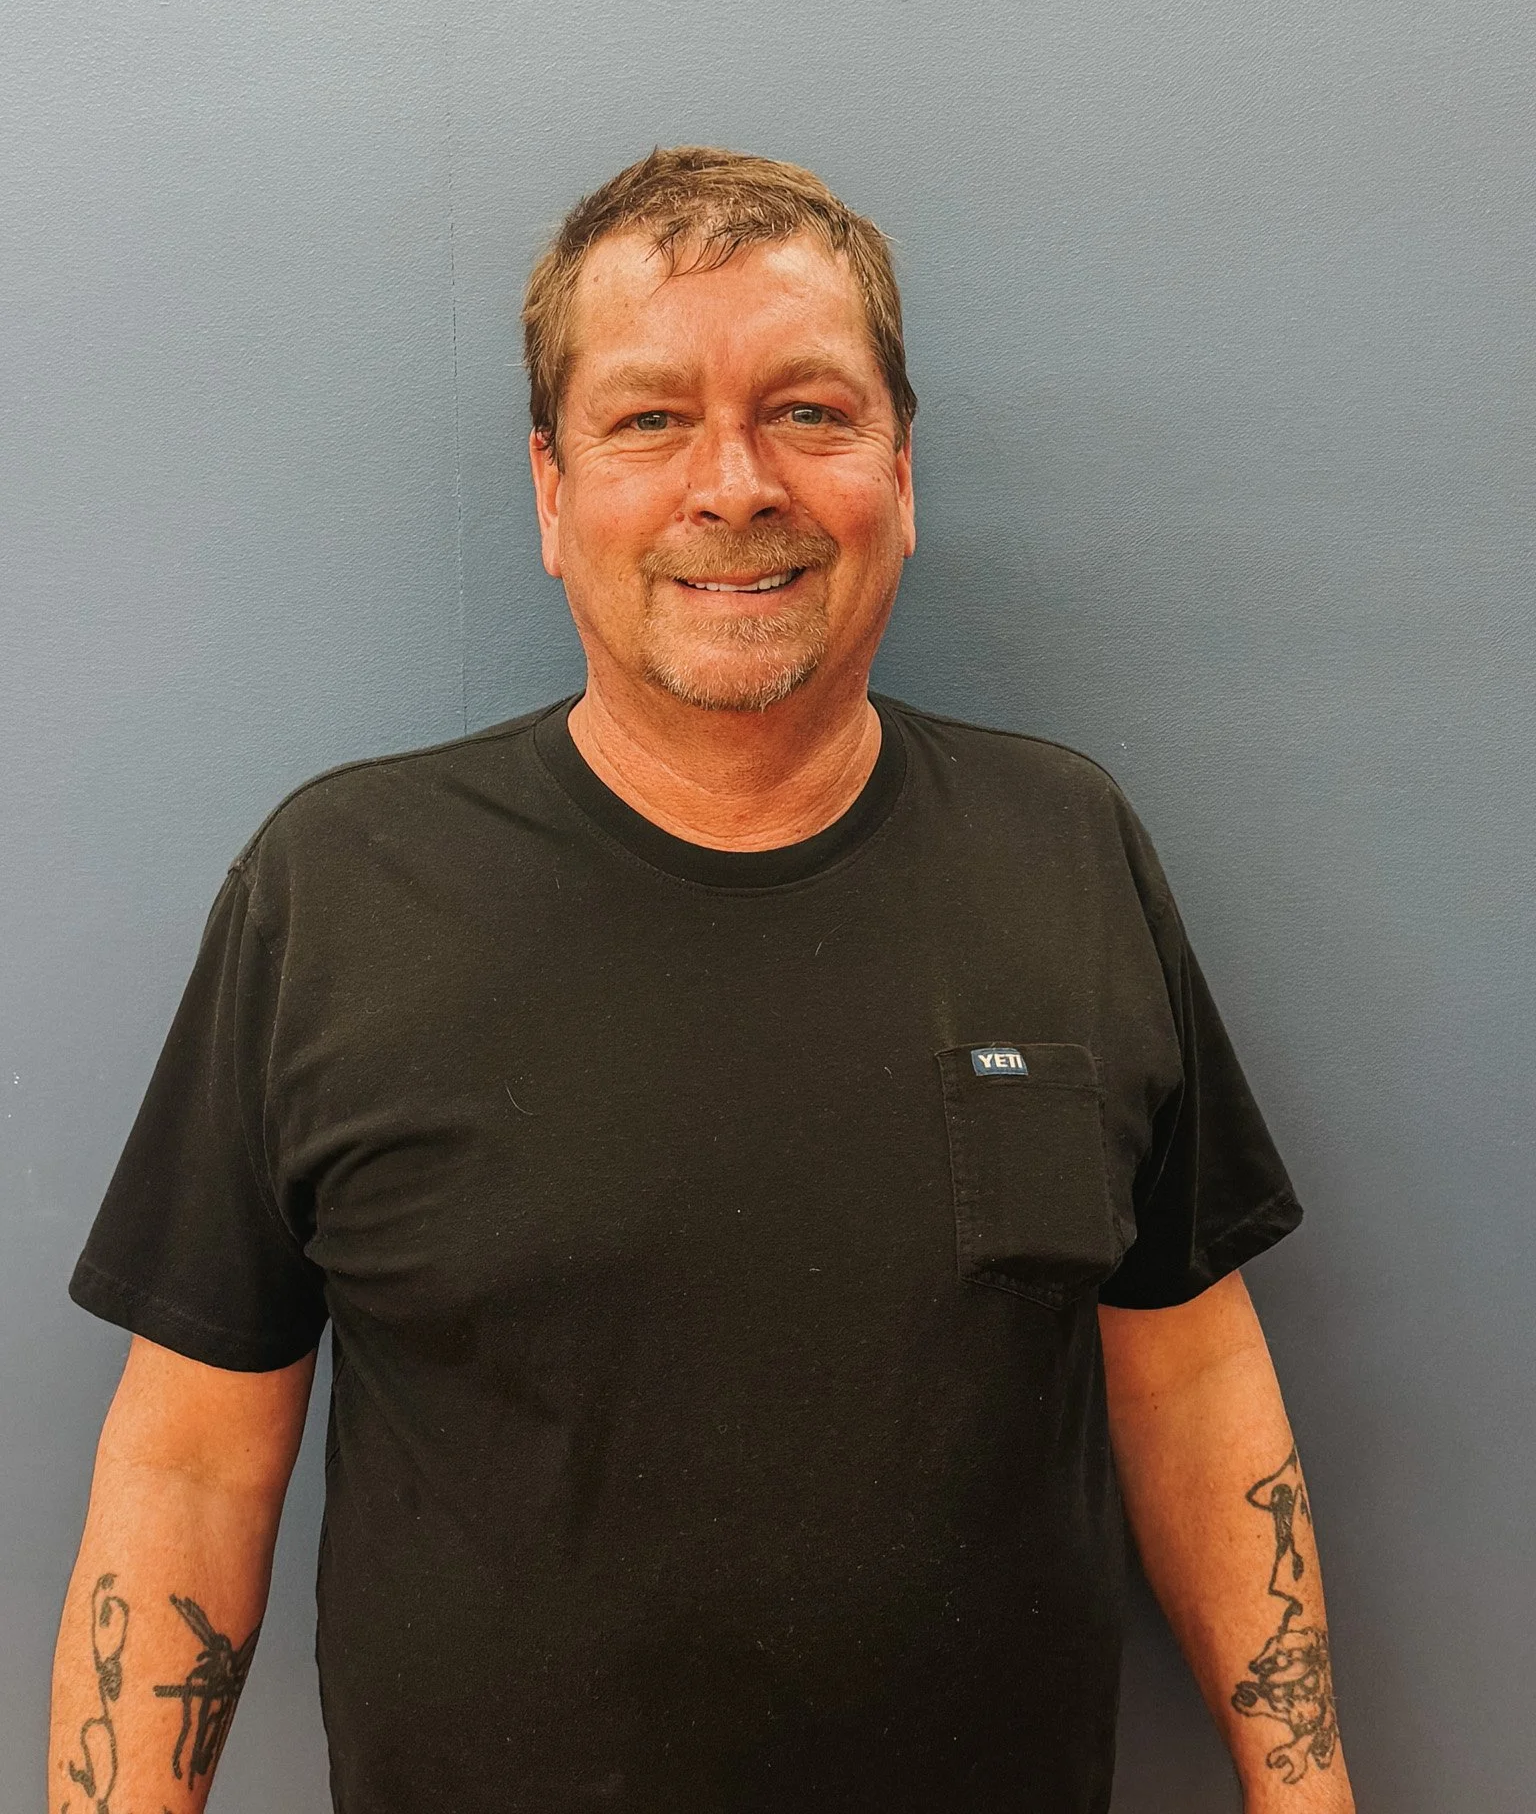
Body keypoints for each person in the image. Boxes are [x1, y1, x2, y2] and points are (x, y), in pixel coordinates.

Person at [51, 147, 1354, 1813]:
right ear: (547, 490)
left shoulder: (1065, 849)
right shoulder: (338, 891)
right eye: (650, 419)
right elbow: (187, 1465)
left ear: (902, 464)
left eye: (809, 411)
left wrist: (1306, 1787)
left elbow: (1186, 1369)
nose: (733, 485)